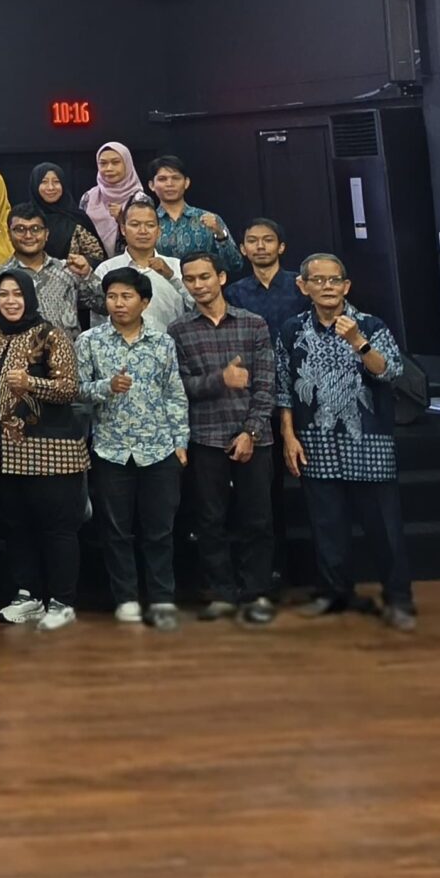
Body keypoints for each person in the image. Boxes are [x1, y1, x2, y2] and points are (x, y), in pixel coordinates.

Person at [277, 255, 415, 629]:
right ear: (303, 286)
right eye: (318, 280)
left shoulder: (371, 325)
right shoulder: (291, 330)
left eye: (334, 280)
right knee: (327, 527)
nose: (327, 287)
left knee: (384, 529)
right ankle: (333, 593)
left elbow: (391, 372)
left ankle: (398, 598)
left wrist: (358, 342)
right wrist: (288, 436)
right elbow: (283, 387)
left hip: (368, 442)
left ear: (346, 286)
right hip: (316, 442)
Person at [76, 271, 190, 630]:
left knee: (160, 531)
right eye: (112, 296)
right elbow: (77, 392)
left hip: (158, 448)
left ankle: (161, 599)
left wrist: (181, 441)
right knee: (116, 531)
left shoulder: (162, 342)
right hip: (110, 449)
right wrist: (106, 387)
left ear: (145, 302)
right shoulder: (89, 341)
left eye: (126, 296)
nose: (118, 303)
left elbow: (174, 394)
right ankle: (125, 599)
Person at [174, 252, 279, 626]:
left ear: (221, 278)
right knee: (209, 520)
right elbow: (180, 387)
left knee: (258, 519)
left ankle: (256, 592)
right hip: (206, 436)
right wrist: (220, 379)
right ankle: (221, 592)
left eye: (204, 277)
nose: (198, 285)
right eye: (190, 279)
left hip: (254, 437)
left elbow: (266, 384)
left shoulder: (253, 324)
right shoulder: (179, 330)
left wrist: (251, 431)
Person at [0, 270, 86, 632]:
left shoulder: (49, 334)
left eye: (17, 294)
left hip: (50, 451)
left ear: (30, 297)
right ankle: (28, 595)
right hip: (1, 452)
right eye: (3, 294)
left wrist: (31, 383)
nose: (10, 301)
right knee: (16, 527)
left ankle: (62, 601)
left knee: (56, 529)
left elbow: (69, 388)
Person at [0, 208, 99, 334]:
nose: (28, 236)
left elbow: (103, 307)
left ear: (46, 234)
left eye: (35, 229)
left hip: (68, 345)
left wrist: (88, 275)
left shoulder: (68, 270)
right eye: (20, 229)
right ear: (9, 234)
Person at [96, 200, 190, 330]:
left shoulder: (177, 267)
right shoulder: (106, 269)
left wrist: (172, 277)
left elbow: (197, 305)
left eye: (150, 225)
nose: (143, 231)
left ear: (159, 231)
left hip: (170, 341)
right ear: (123, 229)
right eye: (135, 225)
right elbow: (97, 317)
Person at [147, 156, 243, 274]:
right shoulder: (147, 222)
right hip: (160, 284)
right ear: (152, 185)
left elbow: (235, 265)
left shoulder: (209, 219)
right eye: (162, 179)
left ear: (186, 182)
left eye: (176, 178)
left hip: (200, 284)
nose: (169, 184)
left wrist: (220, 234)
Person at [226, 217, 307, 326]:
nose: (260, 246)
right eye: (252, 241)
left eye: (268, 240)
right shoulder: (234, 293)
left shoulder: (300, 285)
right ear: (243, 249)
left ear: (281, 247)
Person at [25, 163, 108, 269]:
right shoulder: (25, 217)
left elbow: (98, 257)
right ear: (35, 185)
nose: (50, 187)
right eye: (44, 182)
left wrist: (85, 262)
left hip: (72, 276)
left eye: (56, 182)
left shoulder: (77, 218)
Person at [81, 141, 148, 256]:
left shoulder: (140, 199)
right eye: (103, 163)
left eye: (116, 162)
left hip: (130, 262)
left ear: (127, 164)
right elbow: (80, 234)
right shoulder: (88, 197)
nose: (109, 168)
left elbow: (146, 237)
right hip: (93, 262)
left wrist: (122, 219)